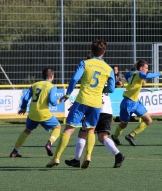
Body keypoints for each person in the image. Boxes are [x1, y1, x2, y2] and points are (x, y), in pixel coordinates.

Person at [46, 39, 115, 169]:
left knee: (69, 129)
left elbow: (74, 79)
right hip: (96, 104)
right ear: (104, 53)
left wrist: (68, 94)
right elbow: (111, 89)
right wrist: (101, 89)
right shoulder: (108, 68)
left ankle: (56, 157)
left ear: (91, 51)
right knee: (91, 130)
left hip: (82, 100)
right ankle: (88, 156)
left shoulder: (85, 63)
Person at [111, 59, 162, 146]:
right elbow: (147, 76)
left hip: (136, 102)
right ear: (141, 68)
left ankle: (131, 135)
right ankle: (115, 137)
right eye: (146, 68)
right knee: (124, 124)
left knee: (148, 120)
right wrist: (160, 73)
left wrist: (130, 79)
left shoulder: (134, 73)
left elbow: (126, 74)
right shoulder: (139, 73)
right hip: (127, 102)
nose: (147, 70)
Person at [10, 68, 61, 158]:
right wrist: (59, 101)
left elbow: (25, 98)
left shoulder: (35, 85)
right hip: (44, 114)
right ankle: (49, 143)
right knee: (58, 127)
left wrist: (23, 108)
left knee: (27, 131)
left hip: (32, 113)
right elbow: (53, 102)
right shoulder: (52, 87)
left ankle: (15, 151)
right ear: (52, 76)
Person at [65, 92, 125, 168]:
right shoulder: (106, 80)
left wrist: (76, 105)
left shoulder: (92, 81)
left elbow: (87, 93)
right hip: (107, 111)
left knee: (82, 134)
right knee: (103, 137)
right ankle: (118, 154)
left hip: (94, 109)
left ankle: (77, 160)